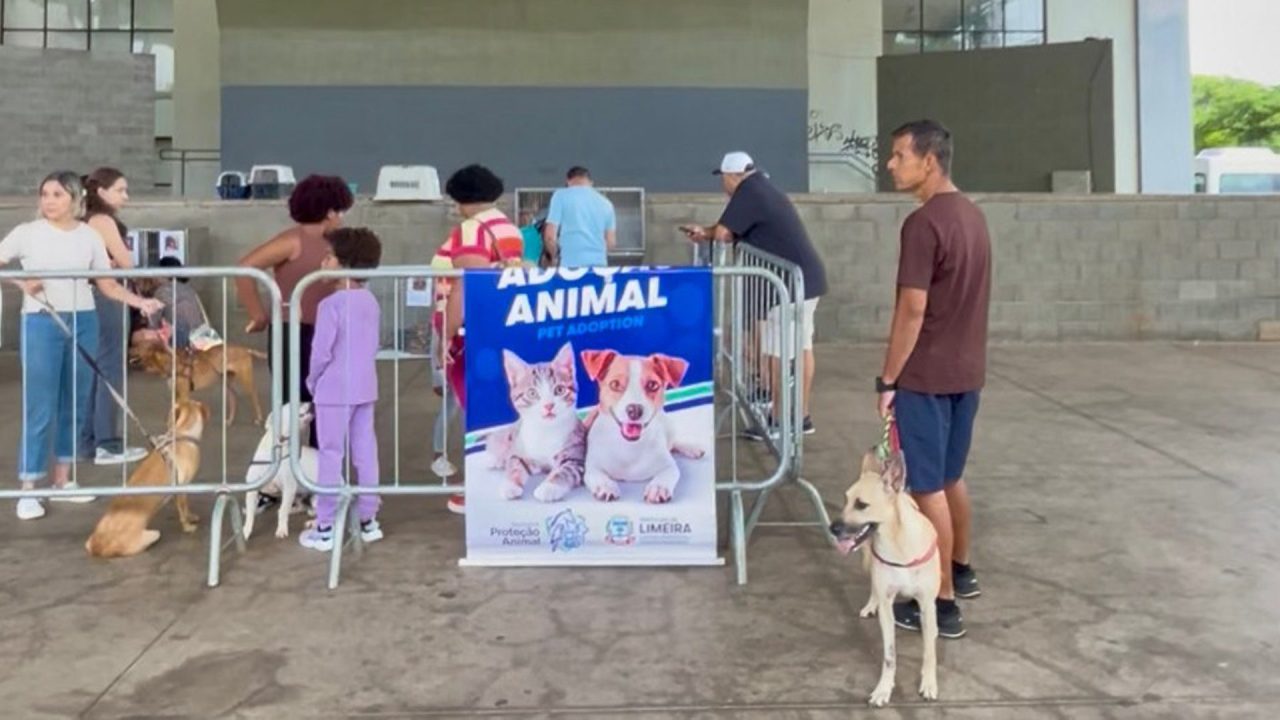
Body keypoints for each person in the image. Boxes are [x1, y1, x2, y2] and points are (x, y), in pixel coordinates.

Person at [878, 119, 991, 640]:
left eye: (900, 155)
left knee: (926, 490)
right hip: (967, 373)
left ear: (930, 161)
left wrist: (888, 378)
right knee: (950, 477)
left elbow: (912, 308)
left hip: (926, 376)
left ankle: (941, 599)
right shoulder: (973, 216)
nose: (890, 164)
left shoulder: (922, 225)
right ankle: (962, 568)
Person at [0, 171, 163, 520]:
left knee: (74, 402)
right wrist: (20, 282)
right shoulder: (26, 234)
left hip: (83, 320)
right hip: (42, 322)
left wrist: (140, 303)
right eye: (45, 194)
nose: (49, 201)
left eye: (57, 194)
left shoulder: (89, 236)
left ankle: (64, 480)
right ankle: (28, 487)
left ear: (75, 199)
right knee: (40, 405)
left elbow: (106, 284)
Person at [682, 151, 828, 436]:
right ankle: (801, 417)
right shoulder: (764, 187)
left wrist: (707, 232)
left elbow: (724, 233)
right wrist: (707, 232)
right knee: (801, 347)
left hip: (786, 286)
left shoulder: (749, 191)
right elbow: (734, 231)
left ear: (733, 176)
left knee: (777, 351)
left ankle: (778, 420)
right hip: (805, 281)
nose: (722, 185)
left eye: (722, 179)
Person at [431, 164, 524, 514]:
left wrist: (447, 335)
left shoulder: (472, 230)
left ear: (461, 198)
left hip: (468, 332)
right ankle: (505, 476)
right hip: (494, 326)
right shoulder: (507, 228)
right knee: (495, 408)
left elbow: (467, 283)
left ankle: (482, 487)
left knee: (477, 410)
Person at [299, 227, 384, 550]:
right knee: (366, 451)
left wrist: (312, 380)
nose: (323, 262)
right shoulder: (369, 301)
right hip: (365, 384)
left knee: (330, 454)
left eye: (329, 256)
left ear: (345, 262)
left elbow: (321, 352)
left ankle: (325, 524)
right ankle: (368, 517)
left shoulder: (331, 305)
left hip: (334, 388)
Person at [81, 167, 147, 465]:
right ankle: (107, 442)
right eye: (120, 190)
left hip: (92, 296)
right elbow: (126, 260)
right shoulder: (103, 220)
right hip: (106, 297)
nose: (125, 196)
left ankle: (88, 442)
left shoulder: (84, 220)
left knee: (95, 369)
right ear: (102, 191)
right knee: (109, 367)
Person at [544, 166, 616, 267]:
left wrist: (554, 257)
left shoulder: (560, 196)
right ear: (591, 183)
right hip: (600, 266)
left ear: (568, 181)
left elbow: (550, 237)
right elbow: (611, 243)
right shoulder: (607, 203)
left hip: (570, 265)